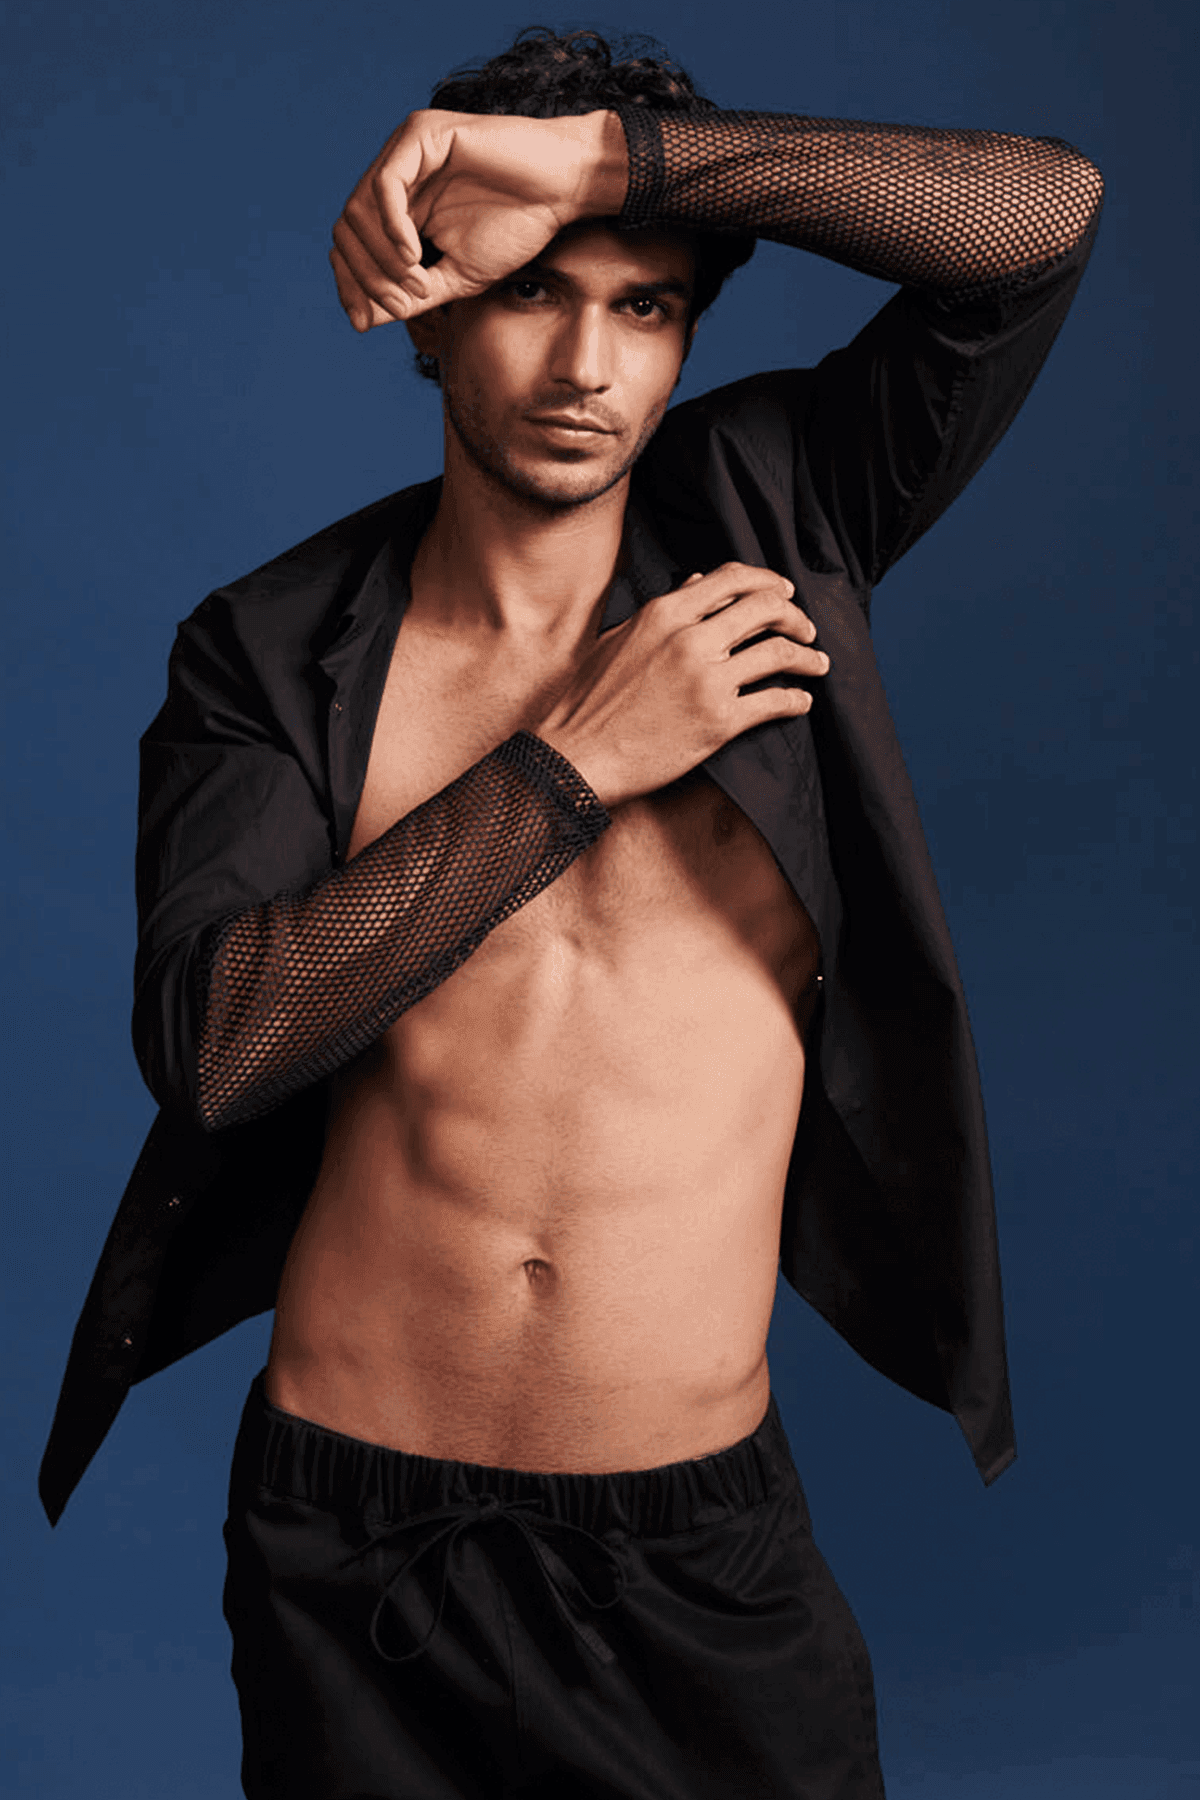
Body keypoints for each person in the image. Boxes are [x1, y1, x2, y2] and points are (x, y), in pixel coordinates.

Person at [39, 25, 1104, 1799]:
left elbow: (1043, 214)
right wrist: (573, 766)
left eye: (647, 306)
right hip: (352, 1544)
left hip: (694, 1553)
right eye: (532, 289)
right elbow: (222, 1044)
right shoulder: (272, 648)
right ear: (430, 309)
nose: (588, 365)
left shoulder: (780, 515)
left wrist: (598, 165)